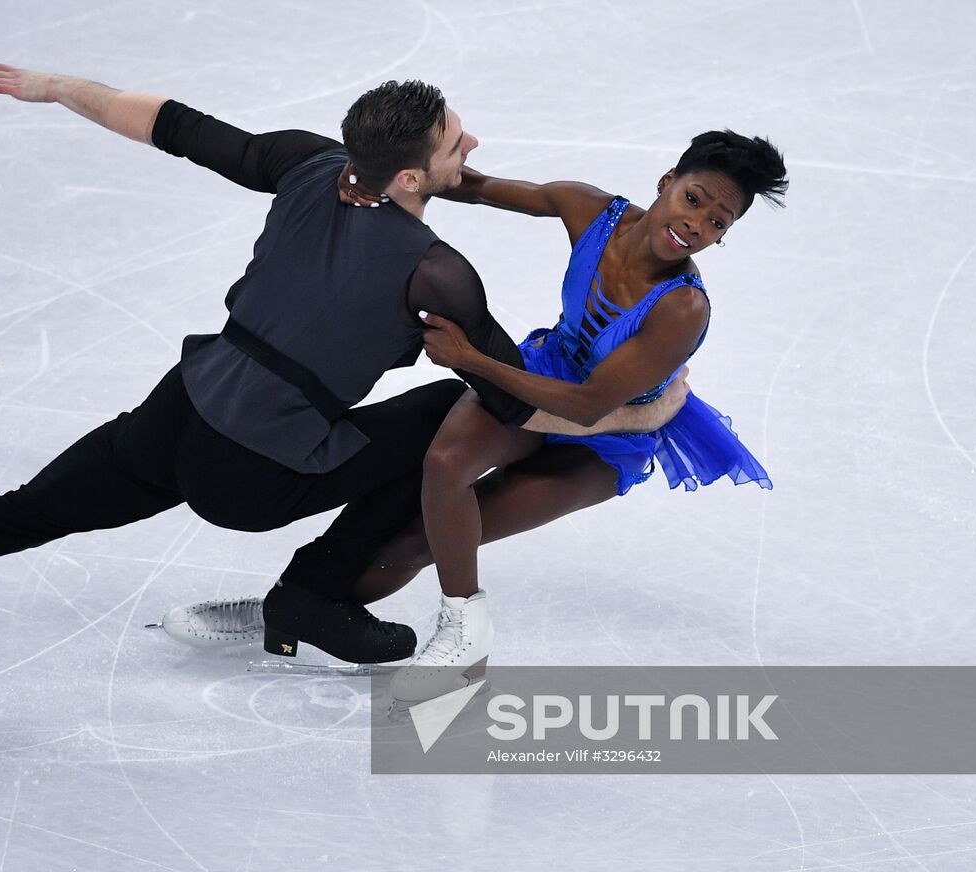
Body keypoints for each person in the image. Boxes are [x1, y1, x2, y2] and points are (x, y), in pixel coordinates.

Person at [0, 63, 684, 664]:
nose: (475, 146)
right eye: (459, 141)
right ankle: (316, 594)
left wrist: (59, 88)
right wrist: (636, 418)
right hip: (259, 475)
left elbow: (173, 125)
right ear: (415, 174)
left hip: (177, 417)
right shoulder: (438, 272)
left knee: (17, 511)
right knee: (446, 422)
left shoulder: (307, 164)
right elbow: (514, 396)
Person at [333, 132, 786, 703]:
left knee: (424, 542)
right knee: (445, 465)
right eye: (693, 200)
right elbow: (479, 187)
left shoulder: (682, 309)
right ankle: (309, 605)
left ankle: (464, 638)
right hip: (546, 370)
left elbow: (589, 406)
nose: (697, 225)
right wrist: (387, 177)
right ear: (667, 181)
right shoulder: (591, 210)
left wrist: (471, 359)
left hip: (605, 437)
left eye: (718, 223)